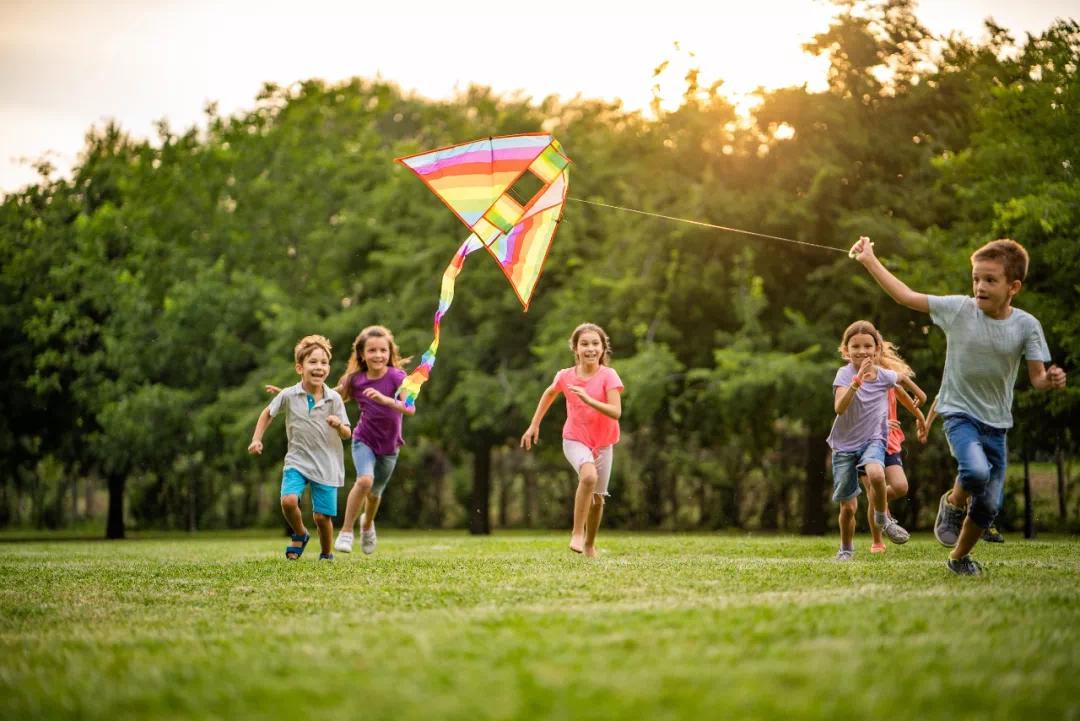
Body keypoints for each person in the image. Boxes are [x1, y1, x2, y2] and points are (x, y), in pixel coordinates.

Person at [851, 236, 1066, 575]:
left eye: (990, 280)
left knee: (989, 504)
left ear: (1014, 287)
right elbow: (905, 296)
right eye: (976, 278)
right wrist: (870, 260)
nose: (980, 286)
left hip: (997, 423)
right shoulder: (959, 310)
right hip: (958, 412)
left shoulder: (1026, 326)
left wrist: (1051, 379)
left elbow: (1037, 378)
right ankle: (952, 504)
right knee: (976, 471)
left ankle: (958, 558)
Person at [521, 323, 623, 557]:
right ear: (575, 349)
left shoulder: (609, 376)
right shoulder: (565, 376)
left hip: (604, 442)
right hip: (575, 438)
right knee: (588, 477)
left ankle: (589, 544)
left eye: (595, 343)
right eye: (584, 344)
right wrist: (534, 424)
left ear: (603, 348)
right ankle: (577, 533)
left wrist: (589, 400)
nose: (590, 348)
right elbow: (549, 393)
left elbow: (616, 412)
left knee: (597, 499)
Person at [249, 335, 351, 560]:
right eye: (313, 362)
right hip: (297, 460)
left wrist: (338, 426)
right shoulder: (288, 394)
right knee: (288, 501)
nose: (319, 367)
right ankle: (300, 532)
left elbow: (347, 432)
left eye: (324, 363)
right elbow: (268, 413)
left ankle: (326, 554)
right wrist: (257, 439)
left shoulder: (334, 398)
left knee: (322, 518)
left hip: (326, 464)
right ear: (299, 367)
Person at [828, 320, 911, 561]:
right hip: (844, 446)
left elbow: (905, 384)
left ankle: (883, 520)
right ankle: (845, 549)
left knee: (876, 475)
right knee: (848, 508)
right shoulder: (844, 374)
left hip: (872, 440)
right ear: (846, 351)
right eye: (855, 346)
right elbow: (840, 408)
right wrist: (856, 382)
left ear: (876, 350)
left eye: (867, 346)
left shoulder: (883, 375)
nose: (862, 351)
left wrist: (920, 409)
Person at [332, 326, 413, 555]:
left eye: (383, 350)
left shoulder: (399, 377)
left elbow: (410, 408)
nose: (378, 355)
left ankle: (367, 526)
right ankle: (346, 532)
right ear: (362, 354)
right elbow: (330, 396)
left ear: (389, 353)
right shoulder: (355, 380)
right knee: (365, 481)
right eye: (372, 350)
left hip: (390, 447)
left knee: (375, 494)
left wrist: (386, 400)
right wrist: (297, 395)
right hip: (363, 439)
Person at [865, 340, 927, 553]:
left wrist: (921, 418)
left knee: (900, 487)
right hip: (864, 441)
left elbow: (903, 393)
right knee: (873, 485)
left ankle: (880, 506)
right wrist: (880, 423)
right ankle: (877, 541)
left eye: (871, 349)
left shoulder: (886, 377)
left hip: (889, 441)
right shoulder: (856, 380)